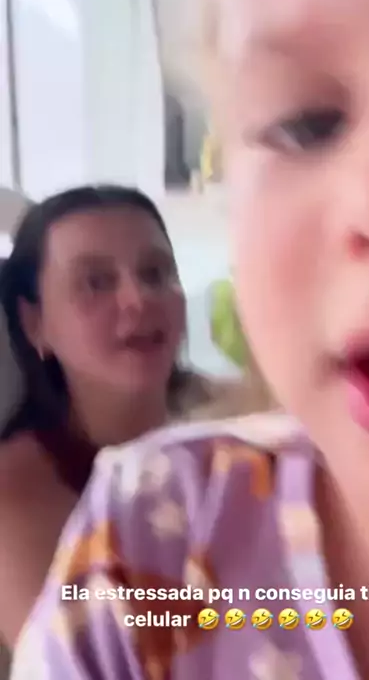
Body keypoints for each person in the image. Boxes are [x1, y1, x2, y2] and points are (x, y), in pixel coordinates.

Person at [10, 0, 369, 677]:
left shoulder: (213, 411)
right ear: (32, 321)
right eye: (306, 124)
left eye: (156, 272)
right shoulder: (147, 543)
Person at [0, 184, 214, 648]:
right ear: (35, 324)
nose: (138, 299)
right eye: (95, 282)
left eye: (156, 273)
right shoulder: (15, 500)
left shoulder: (237, 419)